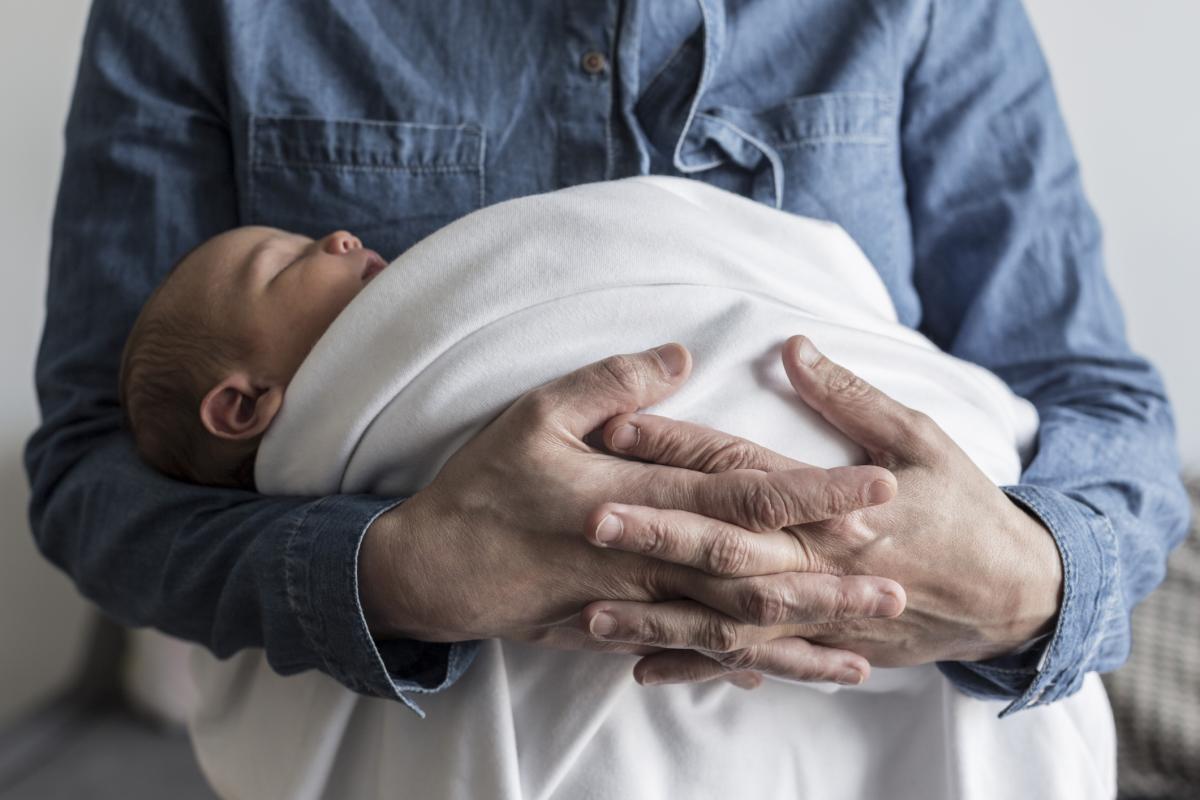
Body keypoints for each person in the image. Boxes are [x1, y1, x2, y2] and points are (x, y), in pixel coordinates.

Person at [26, 0, 1188, 768]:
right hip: (449, 715)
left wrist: (1025, 575)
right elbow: (95, 473)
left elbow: (1093, 397)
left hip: (889, 691)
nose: (335, 241)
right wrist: (393, 570)